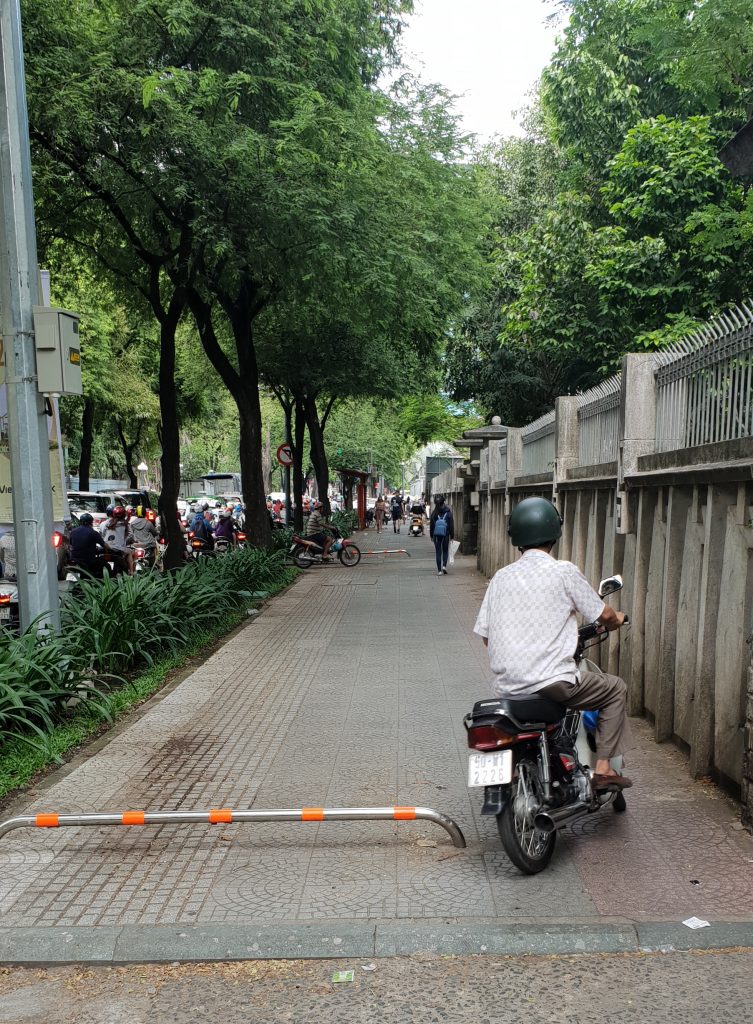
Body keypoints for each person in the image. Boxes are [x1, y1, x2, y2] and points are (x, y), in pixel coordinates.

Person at [472, 496, 632, 790]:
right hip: (553, 682)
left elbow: (486, 636)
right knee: (616, 689)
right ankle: (604, 769)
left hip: (508, 686)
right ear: (554, 533)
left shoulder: (500, 578)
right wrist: (618, 618)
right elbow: (603, 613)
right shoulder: (563, 571)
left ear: (516, 536)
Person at [69, 513, 109, 578]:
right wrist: (109, 549)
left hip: (74, 559)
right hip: (88, 560)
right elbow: (104, 545)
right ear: (91, 522)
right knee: (106, 566)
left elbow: (71, 544)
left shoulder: (73, 531)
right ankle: (100, 582)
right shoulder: (93, 533)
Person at [100, 505, 136, 574]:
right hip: (118, 548)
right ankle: (131, 572)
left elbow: (102, 534)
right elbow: (131, 536)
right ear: (123, 515)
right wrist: (126, 541)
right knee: (131, 552)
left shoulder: (107, 523)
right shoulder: (125, 524)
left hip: (106, 547)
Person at [430, 494, 454, 575]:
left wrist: (431, 535)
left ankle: (439, 571)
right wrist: (452, 536)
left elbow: (432, 525)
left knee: (438, 552)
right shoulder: (448, 512)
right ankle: (444, 566)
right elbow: (451, 525)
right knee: (445, 550)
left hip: (436, 535)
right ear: (444, 502)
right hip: (446, 534)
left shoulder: (434, 513)